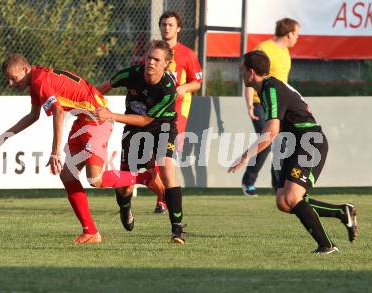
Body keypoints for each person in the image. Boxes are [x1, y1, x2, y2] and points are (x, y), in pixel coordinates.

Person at [0, 53, 157, 244]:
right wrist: (4, 137)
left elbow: (58, 112)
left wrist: (55, 151)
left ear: (25, 69)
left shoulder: (40, 81)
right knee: (67, 175)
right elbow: (33, 115)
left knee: (95, 179)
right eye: (7, 79)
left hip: (97, 119)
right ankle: (90, 232)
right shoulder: (36, 80)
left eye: (13, 77)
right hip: (83, 121)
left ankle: (144, 177)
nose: (10, 83)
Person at [228, 50, 358, 254]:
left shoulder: (270, 88)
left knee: (290, 197)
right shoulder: (268, 87)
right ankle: (342, 212)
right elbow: (301, 104)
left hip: (309, 142)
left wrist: (246, 156)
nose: (240, 74)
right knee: (283, 200)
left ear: (251, 72)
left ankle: (327, 245)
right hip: (293, 144)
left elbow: (271, 131)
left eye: (241, 70)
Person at [95, 40, 186, 244]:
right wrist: (88, 103)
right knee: (125, 186)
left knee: (166, 170)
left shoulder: (168, 89)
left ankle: (177, 229)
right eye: (149, 57)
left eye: (157, 59)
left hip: (162, 127)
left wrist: (110, 115)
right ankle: (125, 207)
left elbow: (146, 120)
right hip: (134, 130)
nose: (151, 62)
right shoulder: (131, 74)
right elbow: (103, 87)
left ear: (166, 64)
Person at [150, 10, 202, 213]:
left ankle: (164, 199)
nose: (166, 28)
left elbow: (197, 82)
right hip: (155, 108)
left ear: (178, 28)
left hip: (178, 110)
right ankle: (162, 195)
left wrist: (185, 87)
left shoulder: (187, 54)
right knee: (153, 155)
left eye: (170, 25)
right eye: (163, 24)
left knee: (166, 155)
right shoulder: (154, 51)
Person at [242, 18, 300, 197]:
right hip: (261, 102)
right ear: (289, 33)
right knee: (265, 141)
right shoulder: (264, 48)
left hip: (281, 106)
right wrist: (250, 103)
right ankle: (248, 181)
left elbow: (284, 84)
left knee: (282, 145)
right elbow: (250, 75)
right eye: (297, 33)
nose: (297, 37)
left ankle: (278, 184)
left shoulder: (286, 52)